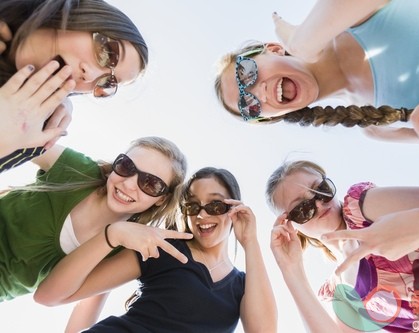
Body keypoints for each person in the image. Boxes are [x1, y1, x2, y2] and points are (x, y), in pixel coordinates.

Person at [214, 0, 419, 157]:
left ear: (274, 48)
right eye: (250, 107)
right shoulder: (376, 128)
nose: (258, 93)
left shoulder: (351, 18)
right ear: (270, 117)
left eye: (247, 73)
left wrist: (301, 43)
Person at [33, 167, 278, 333]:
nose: (202, 214)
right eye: (192, 206)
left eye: (215, 205)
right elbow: (53, 295)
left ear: (234, 208)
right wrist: (111, 235)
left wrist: (250, 242)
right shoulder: (161, 247)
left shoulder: (243, 286)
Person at [265, 160, 419, 332]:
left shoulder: (364, 208)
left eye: (322, 190)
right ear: (291, 225)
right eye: (302, 208)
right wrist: (291, 269)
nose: (318, 202)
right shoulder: (342, 290)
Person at [0, 136, 192, 303]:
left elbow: (56, 298)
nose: (128, 184)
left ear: (162, 199)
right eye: (126, 166)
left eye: (150, 183)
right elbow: (18, 138)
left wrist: (112, 235)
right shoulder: (77, 170)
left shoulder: (123, 251)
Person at [0, 0, 148, 172]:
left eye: (107, 83)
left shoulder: (37, 134)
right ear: (85, 14)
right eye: (108, 52)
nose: (89, 76)